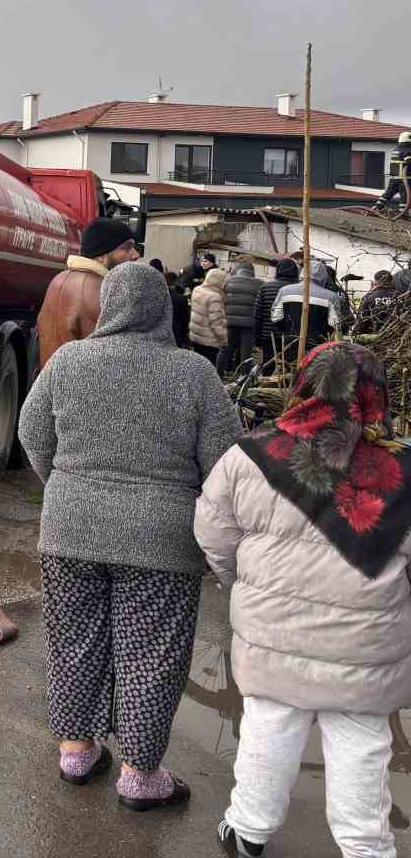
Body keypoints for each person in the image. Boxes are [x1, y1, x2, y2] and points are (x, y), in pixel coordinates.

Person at [20, 262, 242, 809]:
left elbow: (30, 431)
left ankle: (76, 751)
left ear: (108, 306)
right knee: (151, 655)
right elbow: (224, 463)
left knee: (72, 643)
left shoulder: (69, 362)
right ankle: (141, 777)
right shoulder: (194, 374)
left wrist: (66, 485)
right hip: (161, 541)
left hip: (70, 531)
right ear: (163, 307)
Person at [195, 343, 411, 858]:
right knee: (361, 747)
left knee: (267, 730)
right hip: (366, 647)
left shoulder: (248, 455)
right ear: (374, 395)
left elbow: (213, 532)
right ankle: (367, 849)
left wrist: (243, 586)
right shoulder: (404, 472)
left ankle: (247, 831)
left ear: (304, 386)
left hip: (271, 631)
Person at [35, 217, 140, 369]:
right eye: (126, 248)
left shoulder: (59, 279)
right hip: (87, 388)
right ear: (101, 255)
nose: (135, 255)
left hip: (53, 386)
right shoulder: (103, 289)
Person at [271, 260, 346, 353]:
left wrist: (286, 331)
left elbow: (275, 318)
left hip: (290, 344)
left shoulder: (284, 291)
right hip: (318, 347)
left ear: (302, 272)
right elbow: (335, 325)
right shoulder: (331, 297)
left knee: (290, 366)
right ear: (324, 276)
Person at [256, 257, 300, 366]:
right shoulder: (299, 289)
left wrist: (257, 339)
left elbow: (257, 315)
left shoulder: (265, 287)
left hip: (268, 335)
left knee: (268, 366)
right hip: (292, 336)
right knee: (289, 367)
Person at [221, 261, 262, 375]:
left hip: (230, 321)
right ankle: (244, 377)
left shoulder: (228, 281)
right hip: (249, 323)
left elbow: (222, 298)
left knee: (225, 349)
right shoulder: (259, 284)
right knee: (246, 352)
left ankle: (218, 374)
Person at [189, 266, 230, 367]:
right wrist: (223, 340)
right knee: (208, 370)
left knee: (198, 366)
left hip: (196, 336)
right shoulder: (214, 297)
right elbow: (216, 323)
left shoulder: (197, 289)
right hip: (209, 340)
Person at [374, 132, 411, 212]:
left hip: (394, 178)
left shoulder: (396, 149)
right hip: (404, 179)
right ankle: (403, 212)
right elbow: (409, 161)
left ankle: (377, 207)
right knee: (405, 196)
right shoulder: (407, 150)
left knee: (388, 193)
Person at [168, 271, 192, 348]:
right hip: (176, 332)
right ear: (175, 281)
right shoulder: (181, 298)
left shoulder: (157, 296)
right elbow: (185, 319)